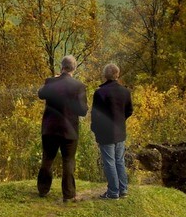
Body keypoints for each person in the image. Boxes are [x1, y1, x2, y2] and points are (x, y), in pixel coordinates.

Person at [37, 54, 89, 202]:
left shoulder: (50, 82)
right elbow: (82, 111)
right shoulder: (79, 86)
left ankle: (43, 189)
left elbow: (41, 94)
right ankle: (69, 194)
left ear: (62, 66)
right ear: (74, 68)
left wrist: (53, 79)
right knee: (68, 160)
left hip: (50, 128)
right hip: (69, 130)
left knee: (47, 158)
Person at [91, 63, 135, 199]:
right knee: (119, 161)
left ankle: (113, 192)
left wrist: (95, 129)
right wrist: (121, 120)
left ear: (105, 75)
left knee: (109, 162)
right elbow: (129, 111)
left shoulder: (100, 92)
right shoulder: (125, 91)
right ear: (118, 74)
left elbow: (96, 115)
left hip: (106, 132)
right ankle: (123, 189)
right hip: (120, 131)